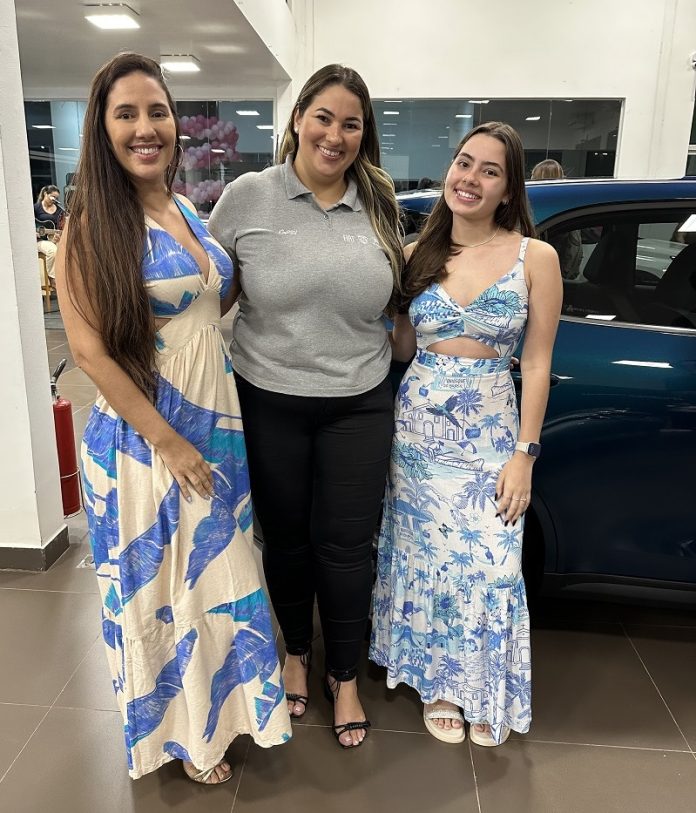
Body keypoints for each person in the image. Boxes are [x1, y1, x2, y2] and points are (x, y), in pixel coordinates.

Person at [55, 52, 291, 783]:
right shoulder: (94, 224)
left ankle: (219, 721)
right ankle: (187, 739)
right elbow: (90, 352)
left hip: (214, 419)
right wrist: (169, 441)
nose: (144, 128)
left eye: (156, 111)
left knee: (218, 580)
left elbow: (208, 303)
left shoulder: (184, 208)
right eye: (125, 114)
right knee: (172, 592)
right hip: (148, 438)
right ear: (102, 129)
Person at [207, 64, 403, 749]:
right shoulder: (247, 197)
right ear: (297, 119)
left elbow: (402, 302)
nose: (335, 135)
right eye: (323, 117)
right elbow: (210, 296)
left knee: (347, 548)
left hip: (359, 402)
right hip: (269, 399)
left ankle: (343, 674)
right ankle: (295, 651)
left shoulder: (379, 203)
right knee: (286, 541)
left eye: (351, 124)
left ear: (363, 134)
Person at [370, 122, 562, 746]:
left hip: (491, 435)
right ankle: (441, 684)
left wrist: (525, 454)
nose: (470, 178)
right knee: (428, 557)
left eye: (489, 170)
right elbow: (403, 349)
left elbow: (537, 363)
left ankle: (484, 685)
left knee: (492, 563)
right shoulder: (415, 255)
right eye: (464, 162)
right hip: (419, 434)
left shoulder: (536, 258)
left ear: (508, 188)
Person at [530, 159, 582, 279]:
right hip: (560, 271)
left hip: (545, 271)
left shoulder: (542, 209)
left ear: (540, 178)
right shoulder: (568, 206)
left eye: (533, 176)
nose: (531, 179)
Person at [34, 185, 63, 280]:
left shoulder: (59, 210)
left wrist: (57, 237)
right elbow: (27, 222)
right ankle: (53, 278)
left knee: (65, 249)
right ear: (45, 194)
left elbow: (59, 227)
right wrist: (33, 232)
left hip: (52, 239)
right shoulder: (36, 208)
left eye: (56, 198)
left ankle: (63, 277)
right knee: (52, 250)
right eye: (52, 196)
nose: (54, 199)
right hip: (39, 240)